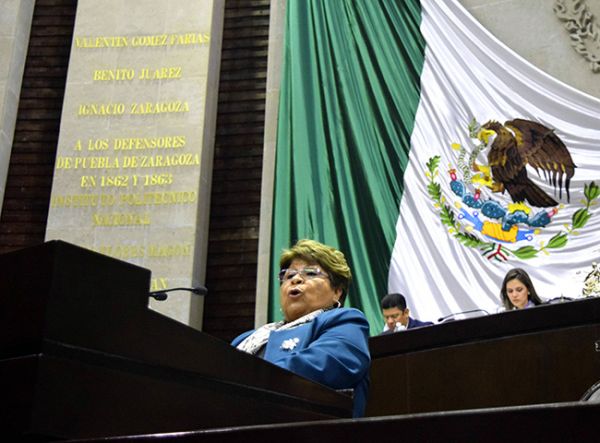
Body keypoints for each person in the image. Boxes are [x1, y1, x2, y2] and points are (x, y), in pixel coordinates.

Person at [231, 239, 371, 417]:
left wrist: (239, 380)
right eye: (288, 276)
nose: (296, 279)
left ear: (337, 291)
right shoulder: (246, 339)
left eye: (311, 273)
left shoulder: (345, 321)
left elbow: (324, 366)